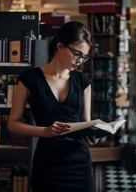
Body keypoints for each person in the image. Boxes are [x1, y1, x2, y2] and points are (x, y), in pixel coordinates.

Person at [8, 21, 98, 192]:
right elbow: (13, 124)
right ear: (60, 46)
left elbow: (86, 122)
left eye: (84, 57)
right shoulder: (30, 79)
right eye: (77, 54)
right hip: (47, 164)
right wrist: (45, 131)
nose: (80, 61)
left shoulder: (83, 82)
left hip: (79, 165)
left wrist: (92, 135)